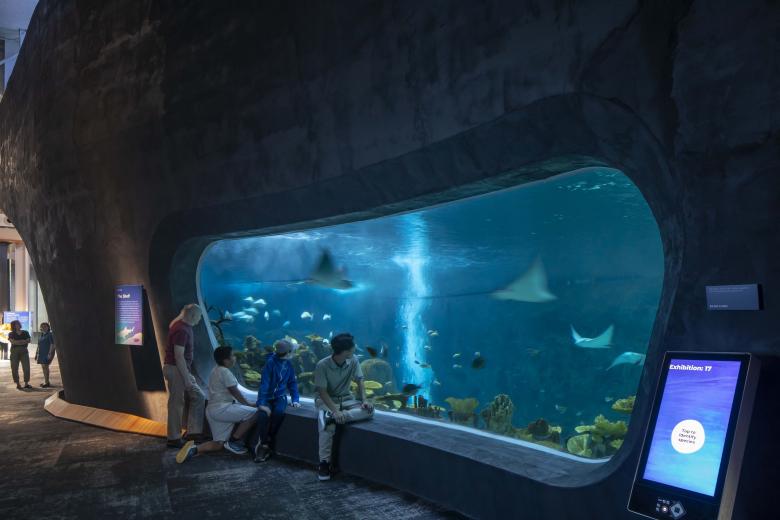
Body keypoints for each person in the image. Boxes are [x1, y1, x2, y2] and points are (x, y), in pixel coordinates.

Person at [176, 346, 258, 463]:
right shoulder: (225, 372)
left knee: (218, 444)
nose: (234, 358)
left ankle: (194, 449)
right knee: (256, 413)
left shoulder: (215, 370)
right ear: (226, 360)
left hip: (212, 410)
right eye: (232, 356)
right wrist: (249, 404)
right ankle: (234, 441)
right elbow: (234, 391)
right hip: (223, 409)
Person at [314, 332, 373, 481]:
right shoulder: (322, 365)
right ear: (345, 351)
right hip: (326, 401)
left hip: (347, 399)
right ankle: (324, 463)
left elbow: (360, 380)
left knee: (369, 411)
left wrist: (364, 400)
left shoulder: (353, 360)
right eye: (353, 346)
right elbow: (322, 392)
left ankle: (333, 418)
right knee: (328, 428)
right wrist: (334, 410)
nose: (355, 348)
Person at [250, 339, 301, 463]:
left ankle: (267, 440)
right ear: (288, 352)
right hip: (267, 397)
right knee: (263, 415)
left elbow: (292, 383)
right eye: (292, 351)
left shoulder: (288, 365)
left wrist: (295, 399)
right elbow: (264, 384)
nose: (294, 353)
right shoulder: (270, 363)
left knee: (278, 413)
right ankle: (264, 444)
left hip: (280, 397)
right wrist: (261, 403)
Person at [163, 304, 206, 449]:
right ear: (193, 316)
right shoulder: (182, 330)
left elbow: (173, 322)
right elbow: (179, 356)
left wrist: (184, 312)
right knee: (176, 404)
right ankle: (174, 438)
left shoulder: (180, 325)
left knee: (198, 396)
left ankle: (193, 433)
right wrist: (187, 379)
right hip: (176, 370)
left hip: (179, 369)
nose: (200, 319)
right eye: (199, 316)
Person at [8, 320, 32, 390]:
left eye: (18, 324)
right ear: (13, 326)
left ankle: (26, 383)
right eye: (15, 324)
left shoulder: (25, 332)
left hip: (24, 351)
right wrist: (23, 341)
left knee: (26, 367)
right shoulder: (11, 333)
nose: (17, 325)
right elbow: (13, 342)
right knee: (14, 368)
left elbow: (29, 340)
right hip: (14, 351)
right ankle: (17, 383)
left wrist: (17, 342)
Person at [34, 322, 56, 387]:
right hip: (41, 353)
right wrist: (36, 354)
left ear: (48, 327)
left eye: (45, 326)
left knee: (45, 367)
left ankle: (47, 382)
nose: (43, 328)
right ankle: (46, 381)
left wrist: (50, 353)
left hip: (47, 353)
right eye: (42, 326)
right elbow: (38, 345)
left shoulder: (50, 334)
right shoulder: (42, 335)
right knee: (43, 367)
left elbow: (52, 344)